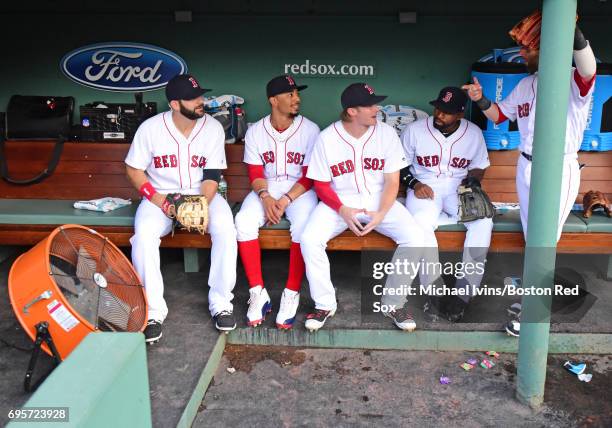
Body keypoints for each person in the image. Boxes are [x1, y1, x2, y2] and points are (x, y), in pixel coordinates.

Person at [462, 11, 597, 336]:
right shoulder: (526, 84)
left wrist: (566, 27)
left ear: (548, 47)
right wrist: (480, 101)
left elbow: (589, 67)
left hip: (558, 166)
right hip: (526, 165)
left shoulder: (572, 79)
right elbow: (498, 117)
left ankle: (534, 310)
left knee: (543, 241)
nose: (521, 53)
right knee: (532, 238)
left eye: (527, 48)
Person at [300, 83, 426, 332]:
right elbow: (321, 185)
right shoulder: (327, 138)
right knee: (309, 239)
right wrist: (342, 209)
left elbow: (392, 181)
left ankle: (393, 303)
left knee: (415, 238)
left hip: (379, 199)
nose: (376, 109)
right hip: (340, 200)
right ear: (351, 111)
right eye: (369, 105)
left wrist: (381, 213)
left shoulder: (386, 134)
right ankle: (324, 303)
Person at [125, 74, 238, 343]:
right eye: (193, 98)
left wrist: (200, 204)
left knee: (225, 228)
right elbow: (134, 169)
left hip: (201, 195)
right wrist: (161, 202)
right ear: (175, 104)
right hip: (160, 198)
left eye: (200, 96)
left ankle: (221, 302)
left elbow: (212, 174)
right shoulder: (150, 128)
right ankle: (152, 311)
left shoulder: (212, 127)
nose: (201, 102)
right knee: (143, 237)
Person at [400, 86, 493, 322]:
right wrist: (414, 183)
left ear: (460, 114)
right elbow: (399, 165)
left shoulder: (473, 133)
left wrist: (472, 182)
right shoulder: (415, 130)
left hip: (456, 188)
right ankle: (434, 291)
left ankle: (464, 293)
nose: (439, 114)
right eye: (438, 108)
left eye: (447, 111)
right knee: (421, 224)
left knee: (483, 221)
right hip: (425, 185)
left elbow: (479, 166)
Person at [235, 75, 320, 329]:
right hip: (267, 188)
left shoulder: (310, 129)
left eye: (297, 94)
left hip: (299, 190)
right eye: (290, 94)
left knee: (303, 225)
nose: (297, 99)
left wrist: (284, 200)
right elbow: (255, 174)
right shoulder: (256, 131)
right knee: (243, 221)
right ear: (274, 100)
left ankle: (291, 292)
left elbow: (309, 176)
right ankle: (257, 292)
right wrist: (265, 197)